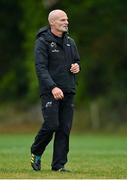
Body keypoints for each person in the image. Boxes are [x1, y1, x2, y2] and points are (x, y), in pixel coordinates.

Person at [31, 9, 80, 172]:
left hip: (68, 90)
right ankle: (36, 152)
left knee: (64, 129)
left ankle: (58, 166)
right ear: (52, 23)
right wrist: (53, 87)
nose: (66, 22)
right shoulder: (42, 42)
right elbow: (40, 68)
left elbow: (76, 62)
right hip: (50, 91)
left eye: (67, 19)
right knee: (52, 125)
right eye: (62, 20)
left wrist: (76, 67)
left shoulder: (70, 42)